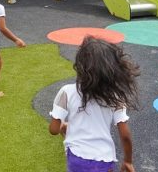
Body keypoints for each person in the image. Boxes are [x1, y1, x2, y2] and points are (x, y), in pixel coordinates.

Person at [49, 37, 138, 172]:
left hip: (77, 159)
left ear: (80, 66)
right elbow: (125, 136)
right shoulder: (116, 97)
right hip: (104, 160)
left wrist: (64, 126)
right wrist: (127, 160)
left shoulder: (67, 92)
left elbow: (54, 130)